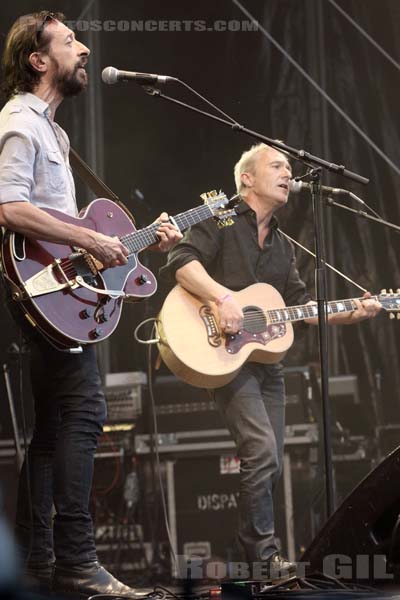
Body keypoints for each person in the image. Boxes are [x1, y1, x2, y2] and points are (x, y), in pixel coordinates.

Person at [0, 11, 182, 598]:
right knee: (84, 412)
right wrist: (90, 241)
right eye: (71, 41)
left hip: (59, 291)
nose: (84, 49)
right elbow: (7, 207)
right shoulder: (21, 122)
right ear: (38, 59)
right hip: (41, 293)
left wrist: (134, 241)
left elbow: (73, 227)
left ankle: (39, 562)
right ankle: (79, 560)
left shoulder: (56, 133)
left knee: (53, 429)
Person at [161, 142, 381, 580]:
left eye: (288, 168)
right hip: (222, 354)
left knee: (271, 457)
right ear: (247, 178)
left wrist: (353, 311)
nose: (287, 173)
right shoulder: (222, 217)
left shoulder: (283, 245)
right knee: (261, 450)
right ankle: (263, 557)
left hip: (267, 365)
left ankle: (257, 558)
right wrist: (222, 298)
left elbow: (301, 306)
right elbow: (180, 260)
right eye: (277, 166)